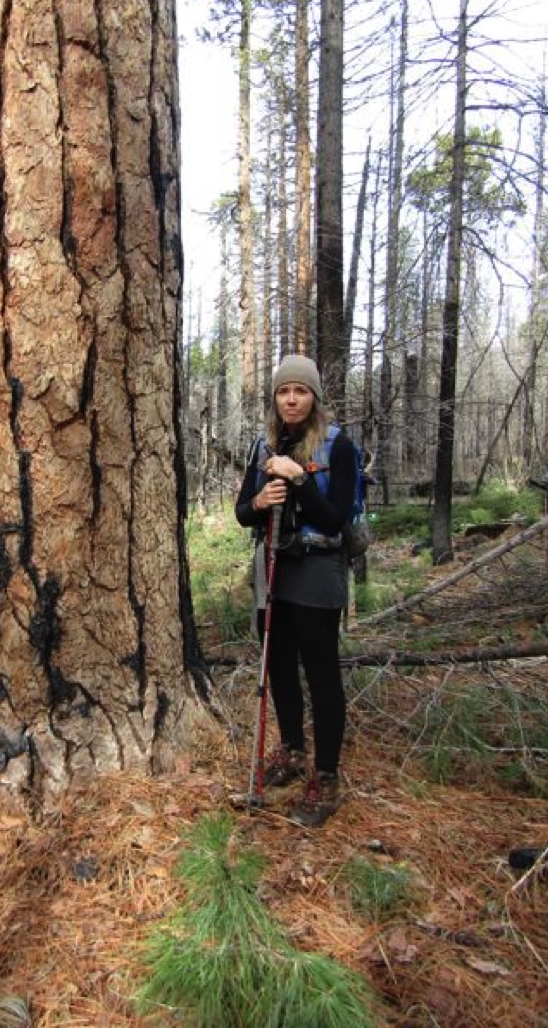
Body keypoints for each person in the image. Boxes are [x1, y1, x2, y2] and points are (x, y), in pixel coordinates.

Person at [235, 354, 357, 828]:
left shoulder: (337, 446)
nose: (291, 399)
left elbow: (335, 519)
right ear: (275, 397)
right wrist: (262, 499)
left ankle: (326, 775)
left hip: (318, 570)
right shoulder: (261, 446)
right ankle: (291, 749)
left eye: (300, 391)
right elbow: (243, 512)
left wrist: (300, 480)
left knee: (322, 672)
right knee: (278, 664)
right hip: (273, 571)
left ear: (314, 397)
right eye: (284, 391)